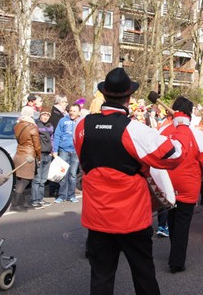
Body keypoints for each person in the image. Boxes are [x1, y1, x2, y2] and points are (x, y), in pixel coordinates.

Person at [73, 67, 190, 295]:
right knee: (144, 276)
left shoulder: (81, 126)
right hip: (131, 218)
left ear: (104, 95)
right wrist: (182, 127)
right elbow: (174, 156)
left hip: (97, 216)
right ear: (129, 98)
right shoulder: (134, 130)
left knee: (101, 278)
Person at [159, 96, 203, 274]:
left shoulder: (163, 130)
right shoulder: (196, 134)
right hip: (188, 185)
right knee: (182, 223)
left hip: (168, 184)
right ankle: (177, 260)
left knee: (173, 220)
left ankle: (175, 252)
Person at [11, 106, 41, 212]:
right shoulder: (32, 127)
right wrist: (39, 156)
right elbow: (37, 145)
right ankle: (15, 204)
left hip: (18, 153)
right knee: (25, 180)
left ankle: (22, 202)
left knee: (20, 179)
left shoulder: (17, 125)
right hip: (28, 155)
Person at [53, 104, 81, 203]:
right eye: (71, 110)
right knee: (63, 174)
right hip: (63, 150)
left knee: (73, 175)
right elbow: (57, 135)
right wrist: (55, 150)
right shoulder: (63, 121)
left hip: (75, 151)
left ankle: (71, 195)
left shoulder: (81, 122)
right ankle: (61, 196)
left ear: (79, 112)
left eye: (74, 111)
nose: (72, 113)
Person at [30, 107, 54, 207]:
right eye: (44, 115)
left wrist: (52, 151)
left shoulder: (50, 126)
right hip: (39, 155)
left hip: (47, 155)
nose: (45, 117)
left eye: (47, 115)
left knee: (43, 179)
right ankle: (34, 200)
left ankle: (40, 199)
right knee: (37, 179)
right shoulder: (36, 125)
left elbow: (52, 139)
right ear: (40, 115)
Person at [48, 94, 68, 197]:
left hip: (57, 145)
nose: (66, 104)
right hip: (56, 145)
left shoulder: (58, 113)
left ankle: (55, 189)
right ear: (60, 103)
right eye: (65, 102)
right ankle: (54, 189)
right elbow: (56, 133)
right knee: (56, 168)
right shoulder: (55, 115)